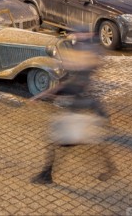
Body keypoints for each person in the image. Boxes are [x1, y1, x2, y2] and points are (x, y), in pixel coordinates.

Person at [30, 33, 116, 185]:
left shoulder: (83, 66)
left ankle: (46, 174)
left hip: (78, 110)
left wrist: (44, 95)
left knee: (59, 140)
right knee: (84, 141)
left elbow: (68, 85)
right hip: (81, 108)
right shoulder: (85, 65)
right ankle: (110, 167)